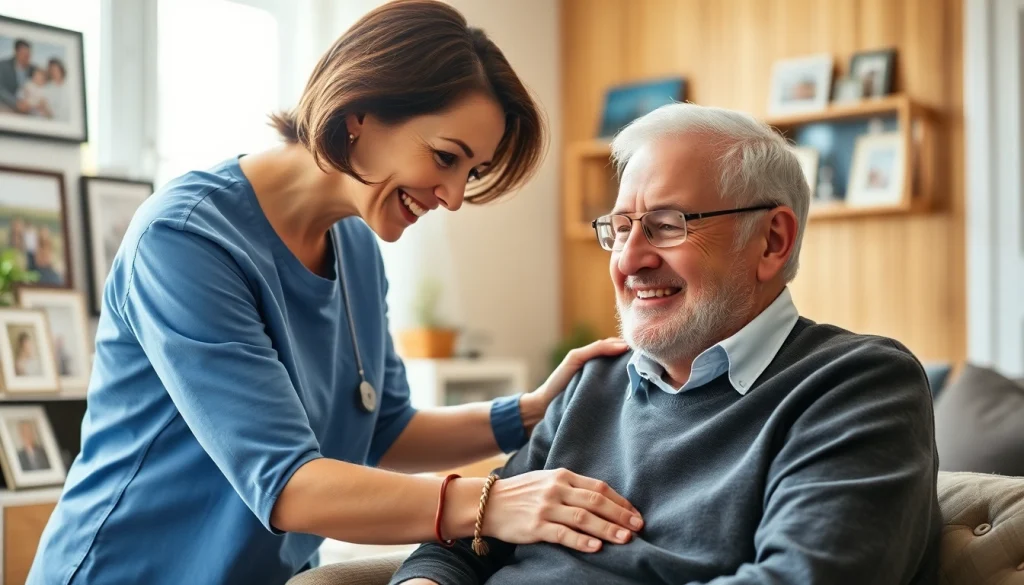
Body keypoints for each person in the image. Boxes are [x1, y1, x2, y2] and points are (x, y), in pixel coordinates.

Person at [29, 2, 641, 585]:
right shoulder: (186, 239)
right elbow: (290, 486)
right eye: (446, 157)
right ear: (361, 114)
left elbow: (384, 430)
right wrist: (492, 502)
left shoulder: (357, 247)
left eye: (471, 173)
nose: (453, 197)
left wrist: (531, 412)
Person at [389, 103, 941, 585]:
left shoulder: (858, 384)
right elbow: (466, 541)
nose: (629, 260)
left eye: (667, 225)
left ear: (772, 240)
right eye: (621, 228)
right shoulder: (595, 382)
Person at [0, 38, 33, 113]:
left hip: (28, 107)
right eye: (23, 54)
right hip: (7, 105)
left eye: (28, 54)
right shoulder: (3, 65)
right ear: (16, 52)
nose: (26, 57)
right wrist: (15, 103)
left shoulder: (32, 69)